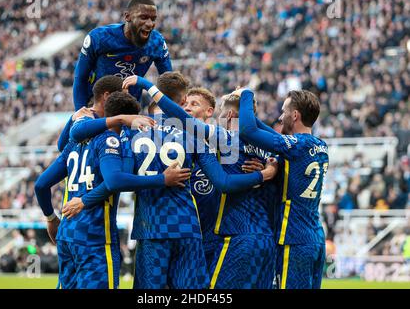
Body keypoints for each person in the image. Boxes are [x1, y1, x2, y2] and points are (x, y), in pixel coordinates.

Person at [71, 72, 278, 289]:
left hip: (152, 228)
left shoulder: (132, 133)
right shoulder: (195, 135)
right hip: (187, 229)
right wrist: (264, 172)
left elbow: (117, 181)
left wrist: (85, 200)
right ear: (181, 102)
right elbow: (224, 182)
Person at [34, 91, 188, 289]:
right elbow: (115, 180)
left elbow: (41, 185)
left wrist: (51, 218)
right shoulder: (110, 141)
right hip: (94, 236)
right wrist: (162, 179)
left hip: (67, 234)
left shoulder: (74, 144)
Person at [238, 89, 329, 289]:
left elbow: (246, 130)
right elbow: (271, 138)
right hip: (314, 236)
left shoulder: (297, 145)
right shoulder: (320, 146)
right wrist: (273, 167)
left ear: (295, 115)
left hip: (294, 238)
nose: (280, 117)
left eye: (284, 111)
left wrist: (246, 94)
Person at [73, 0, 172, 110]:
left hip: (130, 107)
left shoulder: (156, 42)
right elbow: (80, 77)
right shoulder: (99, 37)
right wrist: (80, 112)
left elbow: (169, 81)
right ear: (127, 16)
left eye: (153, 19)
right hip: (97, 107)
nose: (150, 23)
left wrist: (164, 109)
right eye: (144, 17)